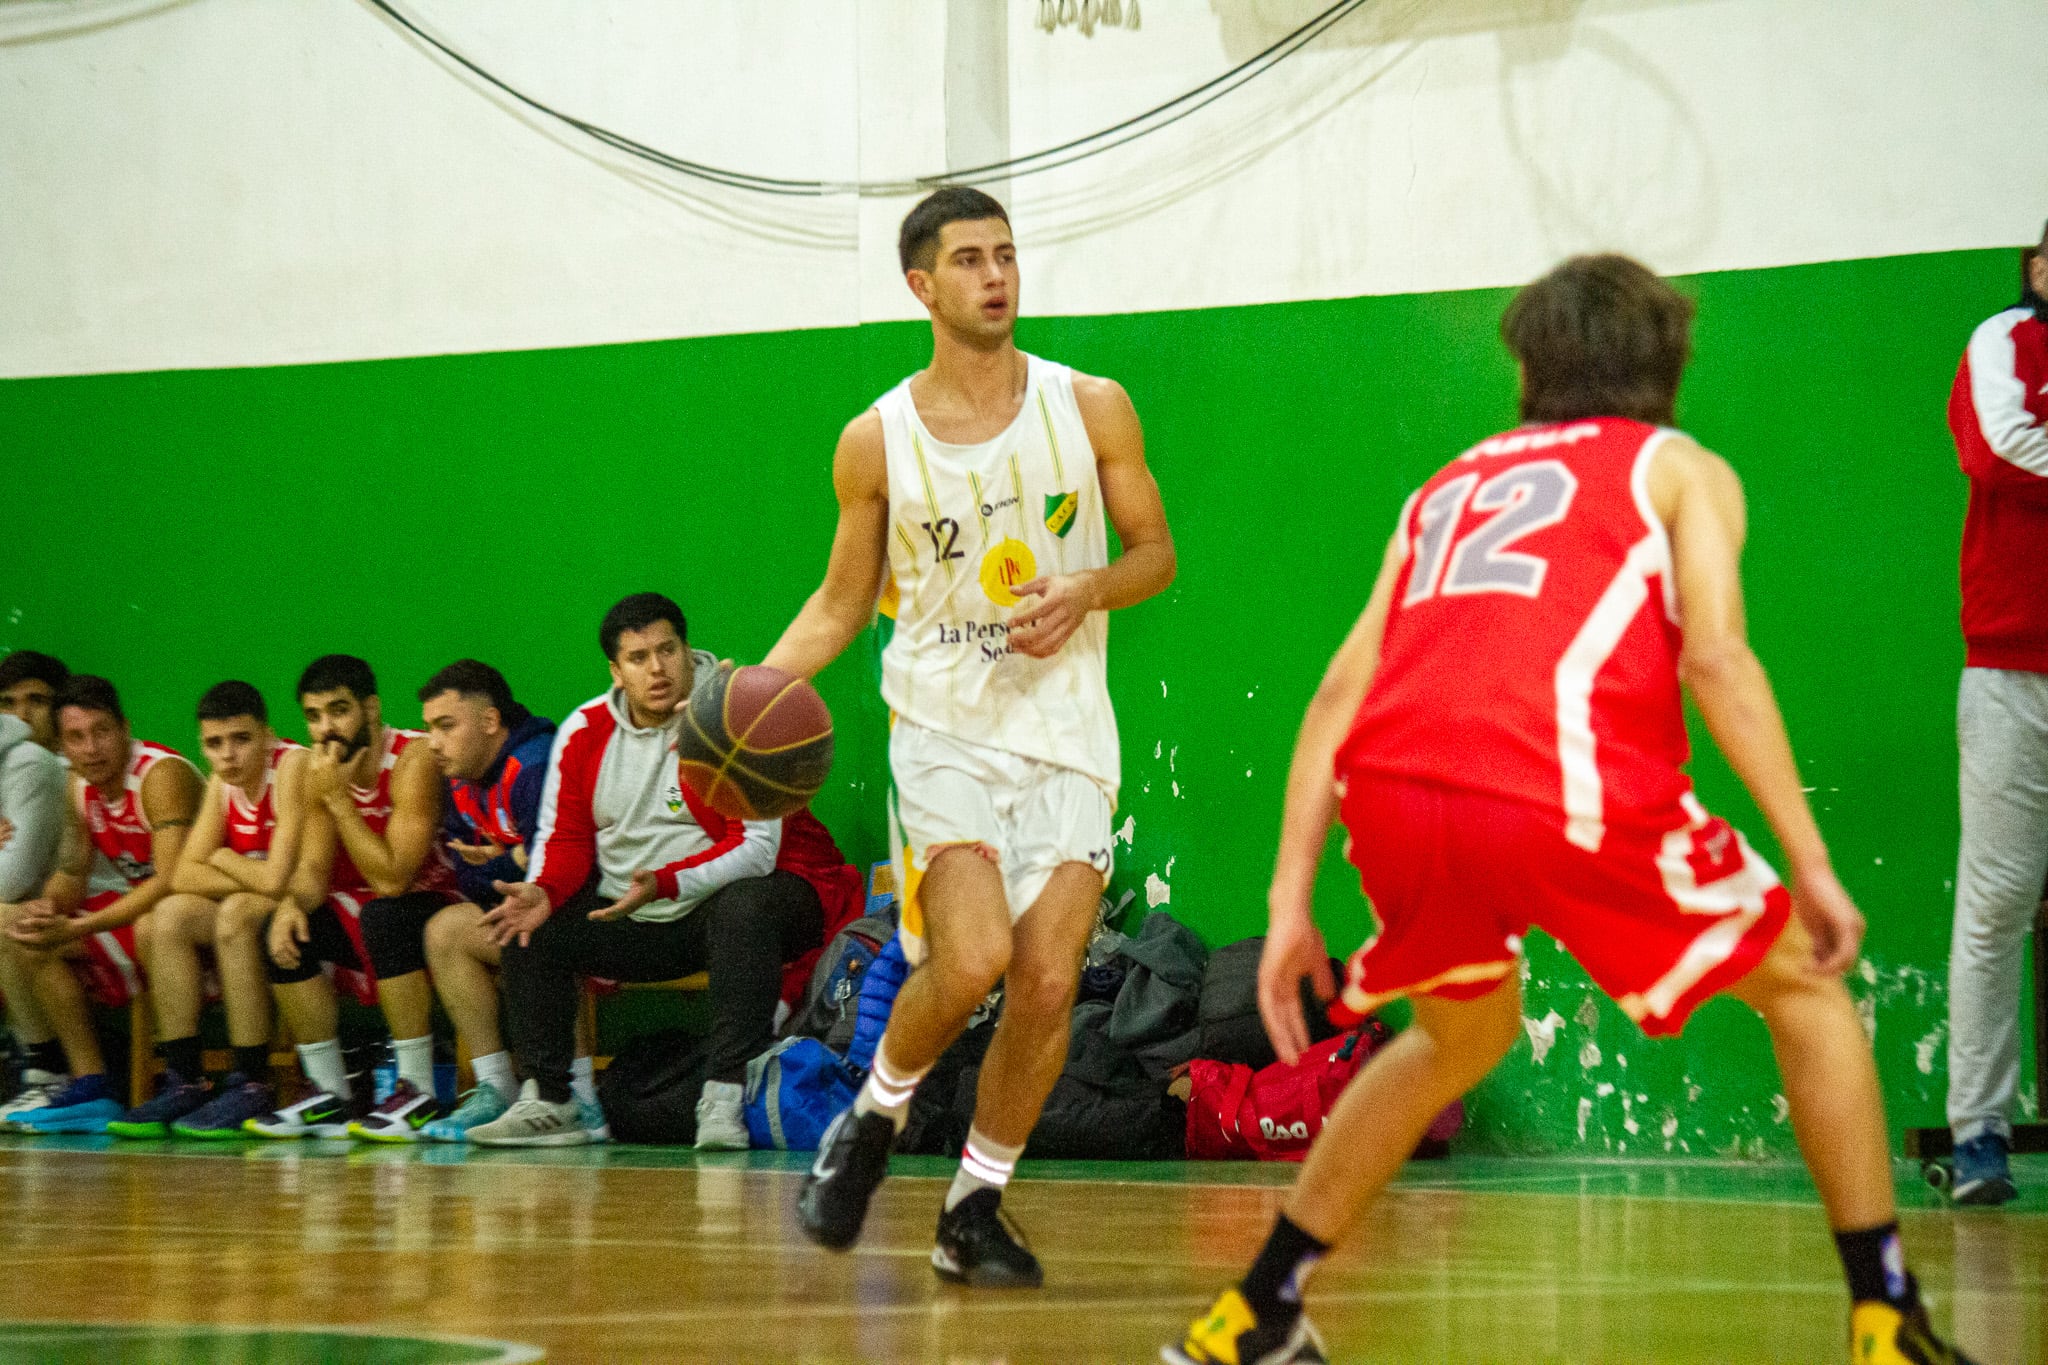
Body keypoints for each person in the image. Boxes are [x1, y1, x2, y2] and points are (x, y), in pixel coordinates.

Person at [1164, 255, 1974, 1365]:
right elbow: (1718, 661)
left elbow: (1335, 693)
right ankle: (1886, 1318)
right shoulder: (1676, 468)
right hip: (1558, 784)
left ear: (1526, 368)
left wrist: (1289, 896)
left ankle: (1254, 1310)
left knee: (1458, 1036)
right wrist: (1813, 861)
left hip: (1396, 800)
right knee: (1804, 983)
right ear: (1669, 360)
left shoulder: (1445, 487)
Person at [767, 187, 1176, 1286]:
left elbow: (1154, 554)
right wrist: (752, 690)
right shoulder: (876, 440)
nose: (994, 276)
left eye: (1004, 255)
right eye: (968, 260)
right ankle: (872, 1117)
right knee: (978, 954)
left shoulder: (1090, 406)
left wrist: (1089, 583)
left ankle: (972, 1207)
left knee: (1045, 981)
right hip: (940, 722)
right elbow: (840, 602)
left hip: (1066, 728)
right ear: (921, 286)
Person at [474, 592, 857, 1149]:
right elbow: (566, 838)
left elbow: (756, 850)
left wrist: (666, 880)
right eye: (637, 658)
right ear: (616, 670)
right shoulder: (583, 732)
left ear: (687, 648)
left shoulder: (733, 711)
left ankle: (726, 1096)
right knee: (532, 925)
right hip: (637, 908)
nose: (656, 668)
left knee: (745, 906)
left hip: (741, 903)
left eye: (667, 650)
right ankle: (557, 1101)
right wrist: (544, 888)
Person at [243, 655, 460, 1140]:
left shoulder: (413, 759)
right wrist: (291, 906)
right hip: (365, 910)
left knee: (385, 914)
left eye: (338, 711)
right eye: (314, 716)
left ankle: (418, 1089)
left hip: (434, 904)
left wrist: (339, 800)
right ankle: (328, 1093)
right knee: (280, 930)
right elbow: (315, 870)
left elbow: (394, 879)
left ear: (372, 708)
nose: (326, 728)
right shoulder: (322, 769)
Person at [1943, 218, 2048, 1207]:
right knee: (1995, 903)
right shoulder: (2002, 343)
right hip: (2015, 673)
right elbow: (1999, 451)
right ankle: (1978, 1136)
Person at [393, 658, 596, 1142]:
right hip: (531, 907)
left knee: (532, 926)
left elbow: (557, 874)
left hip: (588, 914)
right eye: (428, 729)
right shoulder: (459, 782)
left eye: (446, 726)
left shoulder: (535, 767)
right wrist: (511, 858)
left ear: (489, 722)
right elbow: (470, 876)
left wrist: (503, 862)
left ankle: (583, 1101)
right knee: (445, 931)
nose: (434, 744)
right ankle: (495, 1090)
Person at [1, 675, 201, 1134]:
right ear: (64, 743)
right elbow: (72, 873)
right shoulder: (77, 784)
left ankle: (182, 1080)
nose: (91, 748)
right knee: (20, 929)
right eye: (76, 737)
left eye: (102, 732)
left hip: (189, 911)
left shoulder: (160, 775)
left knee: (151, 922)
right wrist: (48, 908)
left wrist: (77, 929)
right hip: (138, 907)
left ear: (126, 728)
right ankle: (89, 1084)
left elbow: (170, 880)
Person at [106, 681, 306, 1138]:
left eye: (241, 739)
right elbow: (182, 876)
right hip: (261, 897)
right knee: (165, 917)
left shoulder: (292, 766)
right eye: (214, 744)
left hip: (305, 901)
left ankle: (252, 1080)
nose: (228, 755)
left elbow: (279, 881)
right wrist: (239, 869)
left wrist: (223, 857)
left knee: (234, 910)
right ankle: (185, 1080)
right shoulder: (221, 782)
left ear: (269, 735)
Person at [0, 651, 71, 1125]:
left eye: (36, 701)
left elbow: (12, 879)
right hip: (43, 903)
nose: (20, 715)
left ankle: (47, 1071)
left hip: (83, 908)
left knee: (7, 918)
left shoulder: (42, 767)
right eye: (7, 702)